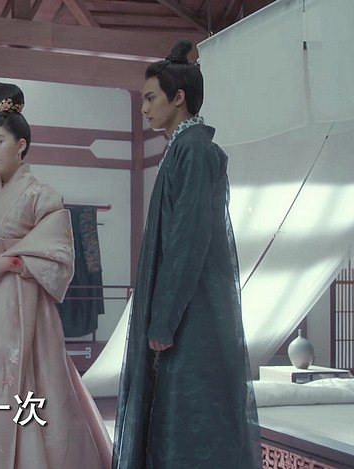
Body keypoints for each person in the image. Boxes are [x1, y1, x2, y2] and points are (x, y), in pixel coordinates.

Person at [0, 73, 112, 469]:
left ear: (21, 145)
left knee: (21, 382)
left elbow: (57, 252)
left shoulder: (41, 195)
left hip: (20, 303)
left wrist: (3, 264)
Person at [113, 40, 260, 469]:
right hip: (186, 307)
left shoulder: (194, 151)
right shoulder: (182, 148)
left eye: (150, 98)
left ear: (178, 98)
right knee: (177, 412)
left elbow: (187, 240)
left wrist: (164, 320)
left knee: (190, 416)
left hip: (193, 312)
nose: (144, 108)